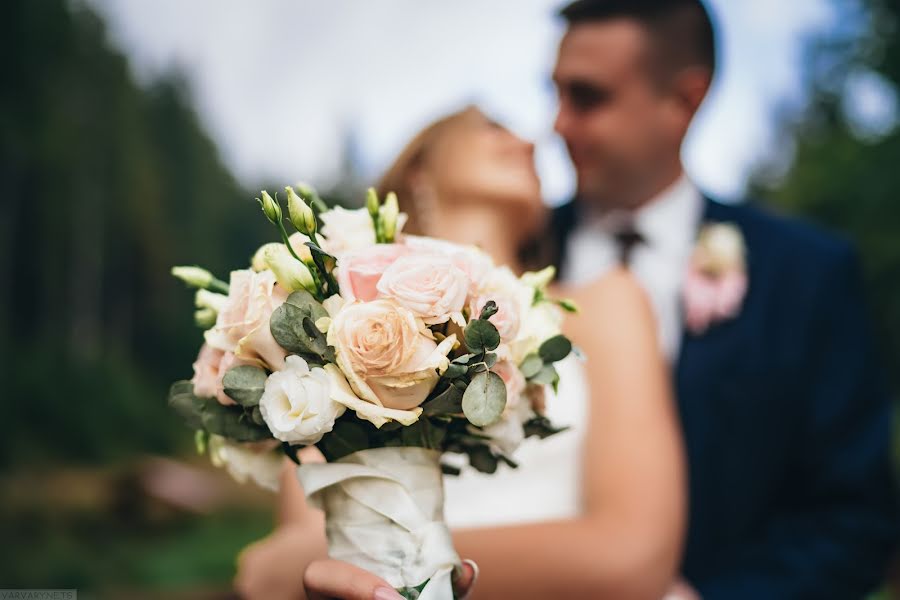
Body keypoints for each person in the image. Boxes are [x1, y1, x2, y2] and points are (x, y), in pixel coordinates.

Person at [234, 106, 687, 599]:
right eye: (493, 126)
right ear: (419, 171)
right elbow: (309, 515)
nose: (529, 145)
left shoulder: (604, 304)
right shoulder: (334, 321)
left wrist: (395, 564)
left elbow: (631, 556)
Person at [550, 0, 898, 598]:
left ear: (685, 100)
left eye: (588, 97)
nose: (558, 124)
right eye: (554, 92)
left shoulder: (806, 274)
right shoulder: (502, 260)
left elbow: (853, 519)